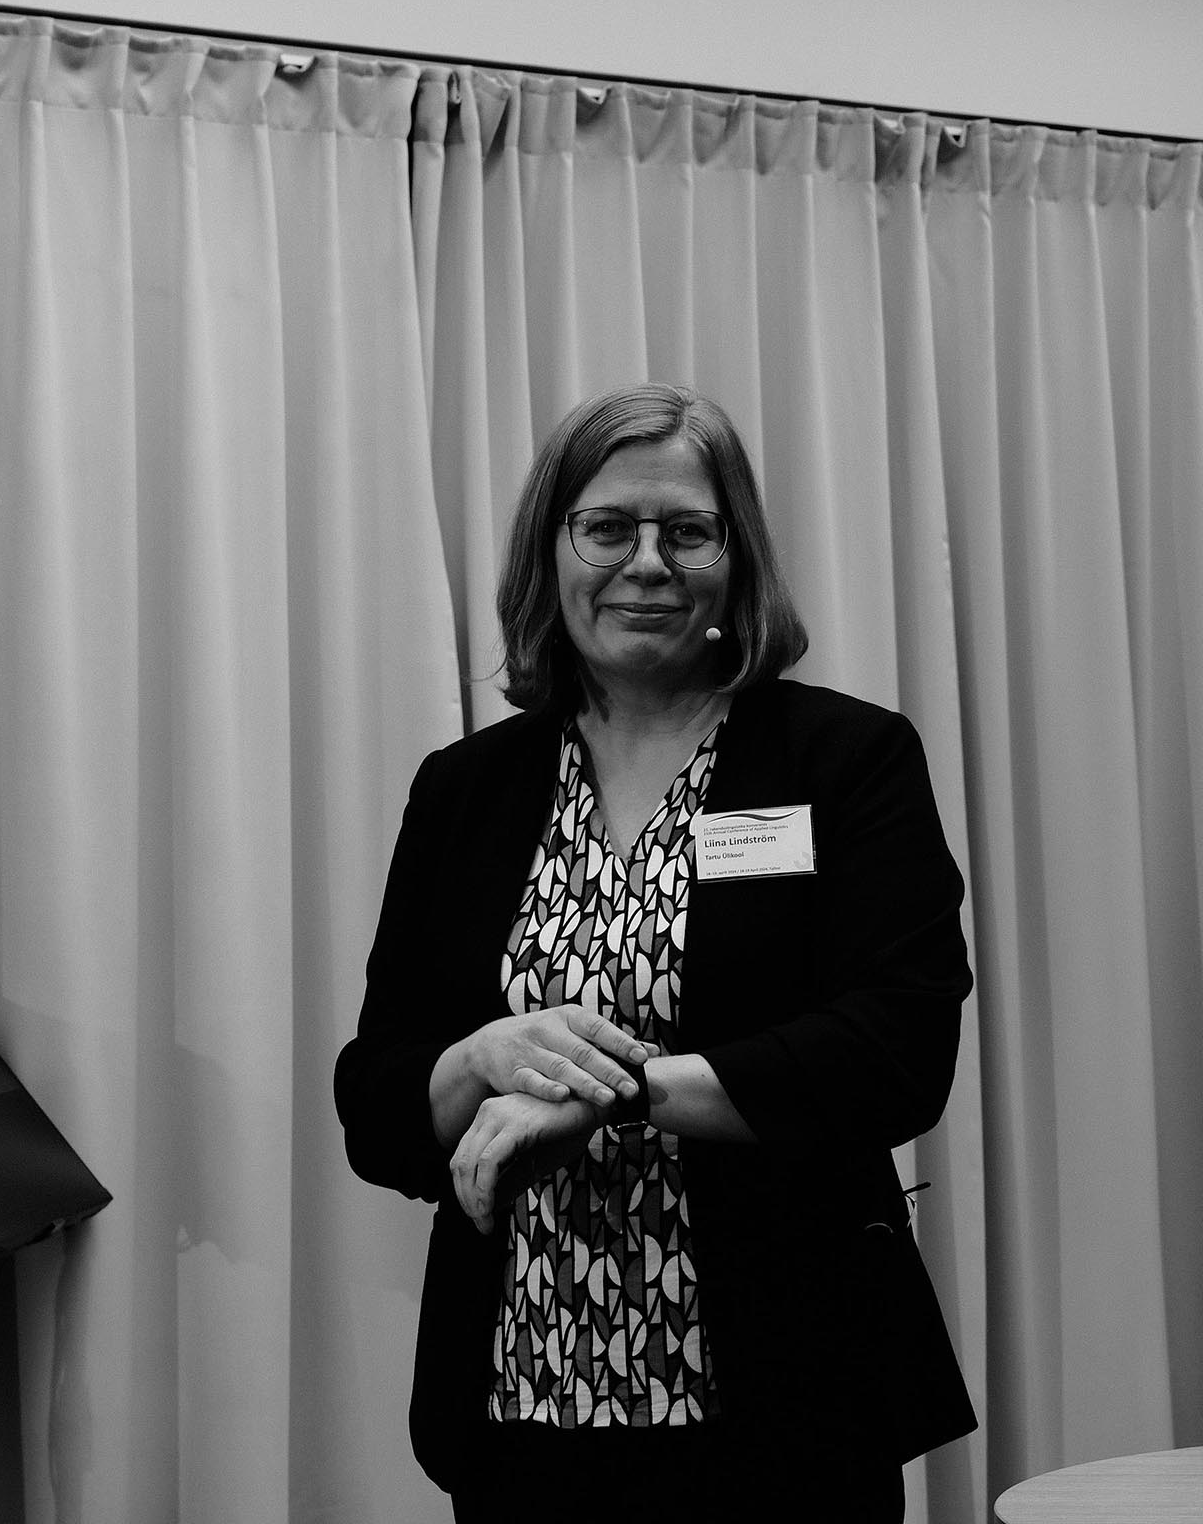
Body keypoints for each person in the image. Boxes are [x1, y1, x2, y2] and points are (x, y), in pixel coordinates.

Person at [335, 383, 976, 1522]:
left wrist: (616, 1094)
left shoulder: (844, 759)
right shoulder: (466, 791)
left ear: (737, 559)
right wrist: (479, 1059)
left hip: (785, 1400)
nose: (646, 563)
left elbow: (897, 1050)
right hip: (520, 1401)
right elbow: (376, 1102)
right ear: (551, 552)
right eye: (607, 528)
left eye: (686, 530)